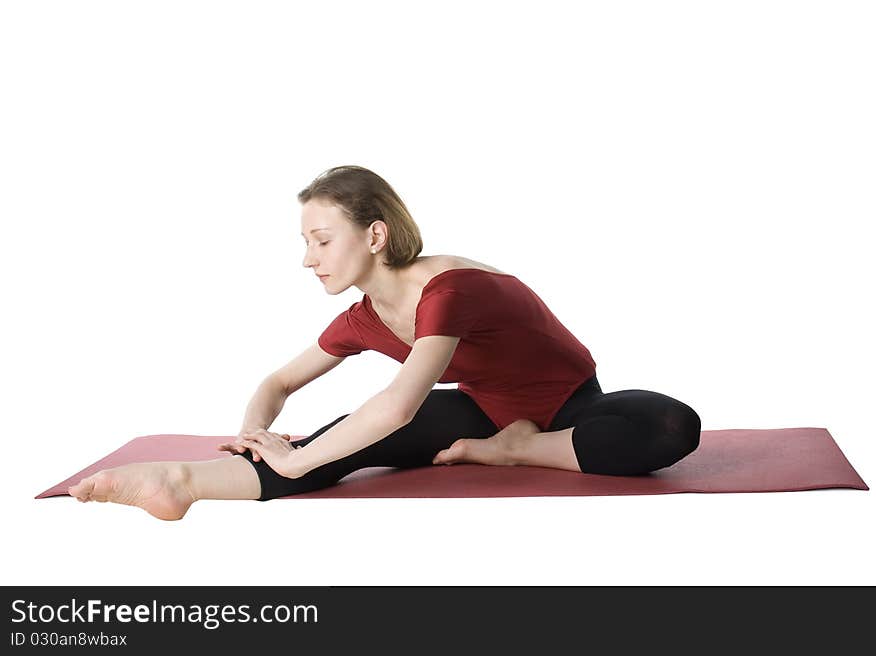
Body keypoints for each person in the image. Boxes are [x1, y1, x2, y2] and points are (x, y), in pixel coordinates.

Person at [68, 165, 701, 520]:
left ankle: (518, 450)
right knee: (333, 445)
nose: (308, 259)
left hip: (573, 405)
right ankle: (181, 481)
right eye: (305, 243)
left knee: (668, 426)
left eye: (321, 240)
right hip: (480, 411)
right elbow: (277, 383)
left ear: (374, 235)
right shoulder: (364, 317)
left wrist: (293, 458)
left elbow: (399, 402)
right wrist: (254, 434)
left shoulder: (449, 289)